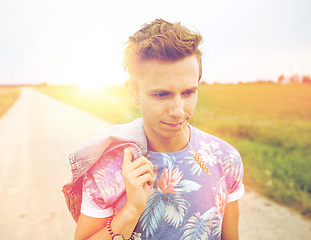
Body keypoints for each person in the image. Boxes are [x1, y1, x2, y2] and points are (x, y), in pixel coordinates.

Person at [69, 18, 244, 240]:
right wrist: (131, 210)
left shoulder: (225, 158)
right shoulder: (107, 167)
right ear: (133, 91)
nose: (179, 111)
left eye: (189, 92)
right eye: (162, 94)